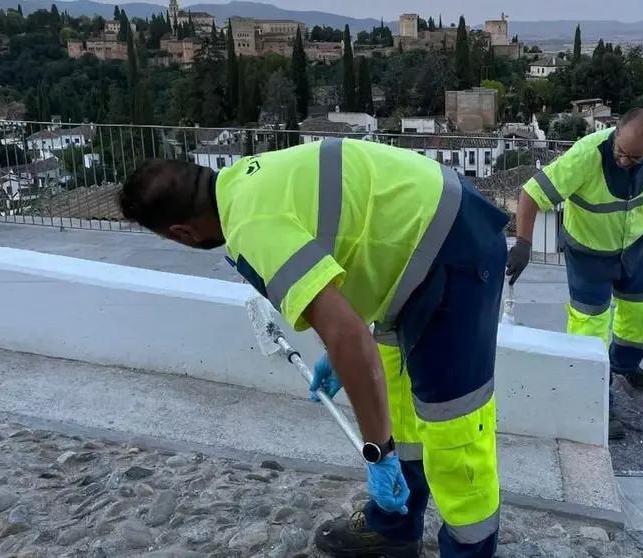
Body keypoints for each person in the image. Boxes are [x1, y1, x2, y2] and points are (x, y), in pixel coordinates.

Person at [117, 137, 509, 558]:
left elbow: (348, 337)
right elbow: (350, 238)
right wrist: (345, 352)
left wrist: (379, 453)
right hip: (415, 257)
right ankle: (394, 527)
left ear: (182, 232)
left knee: (455, 428)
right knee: (396, 403)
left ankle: (469, 551)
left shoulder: (251, 227)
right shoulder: (245, 180)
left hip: (453, 249)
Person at [506, 108, 643, 441]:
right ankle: (592, 399)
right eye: (621, 152)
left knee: (638, 311)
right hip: (588, 253)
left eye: (636, 157)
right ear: (614, 133)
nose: (625, 160)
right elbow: (531, 194)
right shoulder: (585, 156)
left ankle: (625, 366)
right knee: (589, 324)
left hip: (632, 247)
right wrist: (523, 243)